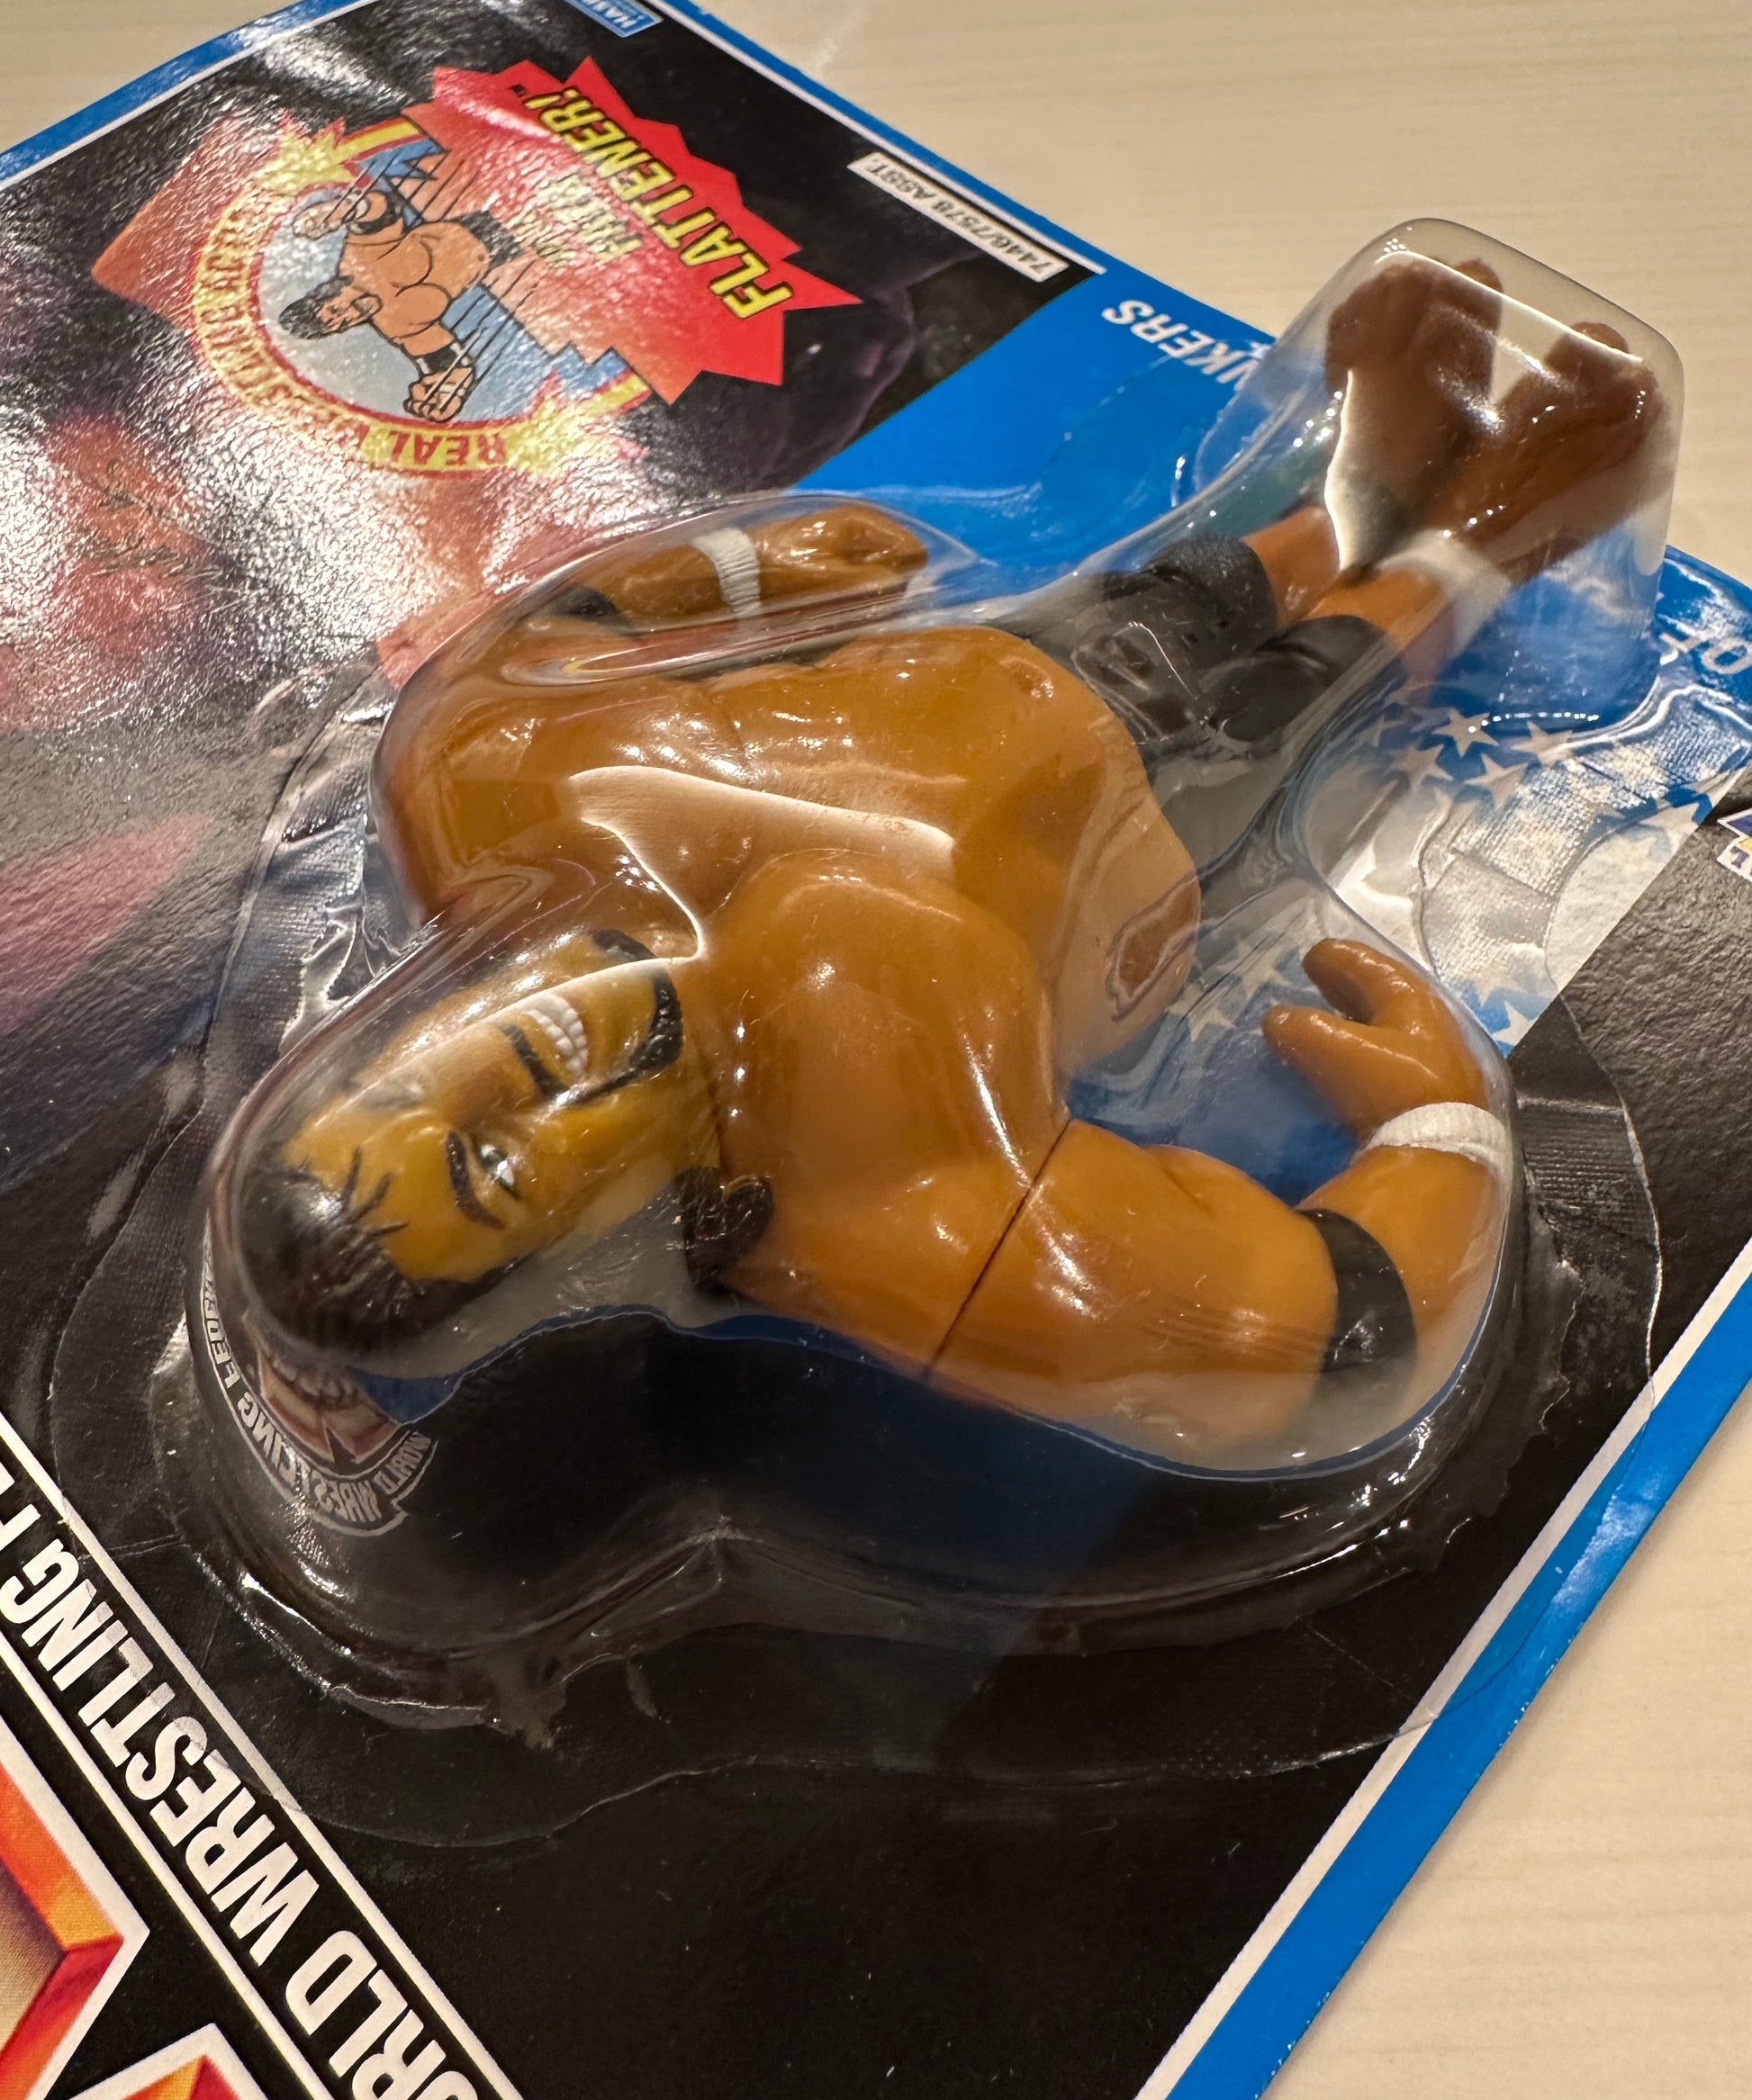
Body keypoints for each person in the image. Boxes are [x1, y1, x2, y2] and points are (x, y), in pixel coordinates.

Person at [226, 258, 1666, 1456]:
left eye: (406, 1088)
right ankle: (1491, 532)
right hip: (1163, 815)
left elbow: (521, 655)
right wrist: (1436, 1129)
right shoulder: (874, 1195)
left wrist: (745, 573)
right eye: (491, 1163)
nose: (497, 1069)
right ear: (580, 1247)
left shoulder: (492, 801)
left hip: (1001, 654)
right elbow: (1313, 1343)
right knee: (1330, 671)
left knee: (1200, 577)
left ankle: (1364, 479)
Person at [279, 182, 524, 422]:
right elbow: (450, 364)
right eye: (342, 324)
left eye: (335, 310)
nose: (349, 316)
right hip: (506, 253)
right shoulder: (397, 326)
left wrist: (343, 210)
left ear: (325, 293)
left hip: (486, 217)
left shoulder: (360, 260)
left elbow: (384, 210)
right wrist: (447, 392)